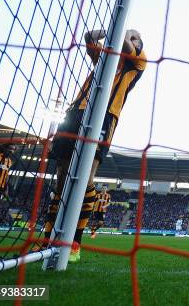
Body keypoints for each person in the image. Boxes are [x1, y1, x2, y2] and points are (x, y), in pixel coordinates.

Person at [36, 28, 146, 263]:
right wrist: (107, 30)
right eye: (128, 34)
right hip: (75, 112)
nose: (129, 37)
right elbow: (88, 38)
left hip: (104, 115)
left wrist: (122, 31)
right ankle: (46, 240)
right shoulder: (105, 58)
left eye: (134, 36)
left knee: (86, 177)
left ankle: (75, 242)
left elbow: (127, 46)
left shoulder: (137, 61)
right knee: (62, 179)